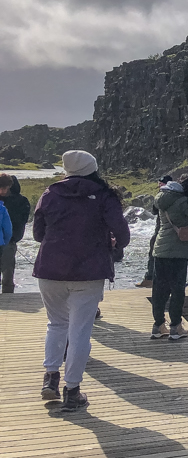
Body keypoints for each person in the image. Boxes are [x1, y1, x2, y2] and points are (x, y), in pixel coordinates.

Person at [32, 150, 130, 412]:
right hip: (89, 271)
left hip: (50, 269)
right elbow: (122, 233)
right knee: (79, 332)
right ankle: (72, 390)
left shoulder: (49, 193)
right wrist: (111, 242)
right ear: (92, 168)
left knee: (56, 324)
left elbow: (38, 233)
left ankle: (50, 378)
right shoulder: (104, 195)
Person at [150, 173, 188, 341]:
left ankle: (158, 326)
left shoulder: (160, 198)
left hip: (160, 249)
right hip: (178, 251)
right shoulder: (182, 201)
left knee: (159, 289)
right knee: (177, 290)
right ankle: (175, 327)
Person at [136, 175, 173, 288]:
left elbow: (154, 210)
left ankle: (150, 278)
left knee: (154, 251)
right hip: (170, 229)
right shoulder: (178, 196)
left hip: (162, 229)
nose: (159, 186)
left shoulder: (162, 196)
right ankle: (161, 279)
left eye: (161, 184)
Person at [0, 174, 30, 293]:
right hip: (7, 239)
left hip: (10, 241)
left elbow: (22, 220)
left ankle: (8, 296)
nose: (3, 190)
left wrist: (13, 237)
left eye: (5, 187)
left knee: (7, 272)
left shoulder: (21, 201)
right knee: (7, 270)